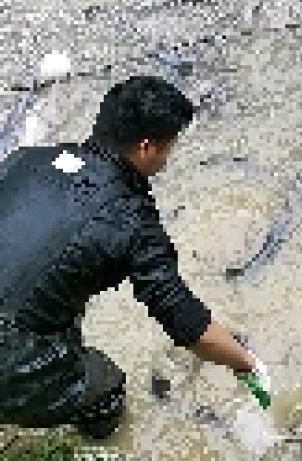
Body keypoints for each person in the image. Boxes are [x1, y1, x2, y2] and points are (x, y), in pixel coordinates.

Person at [0, 75, 270, 438]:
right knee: (106, 387)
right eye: (169, 146)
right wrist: (247, 364)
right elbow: (186, 323)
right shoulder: (131, 220)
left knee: (54, 290)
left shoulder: (26, 159)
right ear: (145, 148)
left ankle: (49, 368)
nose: (168, 155)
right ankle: (96, 441)